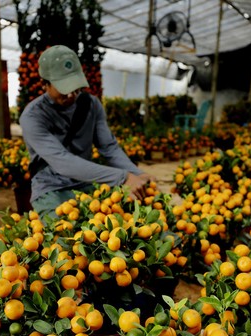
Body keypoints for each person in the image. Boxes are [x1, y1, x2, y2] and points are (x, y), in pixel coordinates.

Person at [19, 45, 152, 218]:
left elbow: (109, 148)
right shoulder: (33, 116)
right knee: (66, 238)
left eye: (75, 87)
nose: (71, 95)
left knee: (129, 225)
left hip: (88, 184)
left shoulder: (91, 105)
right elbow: (63, 162)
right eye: (64, 88)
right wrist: (122, 177)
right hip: (51, 189)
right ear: (45, 84)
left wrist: (137, 174)